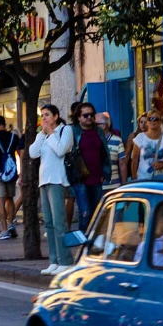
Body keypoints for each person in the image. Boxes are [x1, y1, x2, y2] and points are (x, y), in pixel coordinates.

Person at [30, 104, 74, 275]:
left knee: (59, 222)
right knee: (48, 223)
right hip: (44, 181)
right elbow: (33, 153)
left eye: (47, 115)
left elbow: (61, 150)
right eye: (42, 115)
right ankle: (54, 260)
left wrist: (51, 133)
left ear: (55, 116)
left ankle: (66, 260)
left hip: (57, 181)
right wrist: (42, 134)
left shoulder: (65, 130)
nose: (44, 119)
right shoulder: (43, 135)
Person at [68, 102, 111, 231]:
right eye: (85, 115)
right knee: (85, 213)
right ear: (78, 117)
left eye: (92, 115)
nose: (89, 117)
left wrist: (105, 173)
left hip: (97, 178)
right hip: (80, 178)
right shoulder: (73, 131)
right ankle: (83, 239)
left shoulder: (98, 131)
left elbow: (104, 153)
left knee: (95, 213)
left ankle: (92, 238)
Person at [130, 111, 163, 180]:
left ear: (160, 122)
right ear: (147, 121)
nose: (153, 121)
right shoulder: (140, 137)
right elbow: (134, 159)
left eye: (156, 119)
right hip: (143, 177)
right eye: (150, 119)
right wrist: (134, 177)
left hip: (161, 177)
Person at [97, 112, 128, 188]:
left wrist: (124, 185)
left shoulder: (117, 141)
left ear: (103, 126)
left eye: (94, 124)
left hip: (113, 187)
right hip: (96, 188)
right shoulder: (90, 141)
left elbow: (122, 164)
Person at [126, 113, 148, 181]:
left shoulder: (152, 137)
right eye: (141, 122)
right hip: (135, 167)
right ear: (138, 123)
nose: (143, 124)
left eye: (145, 122)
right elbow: (127, 154)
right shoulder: (133, 136)